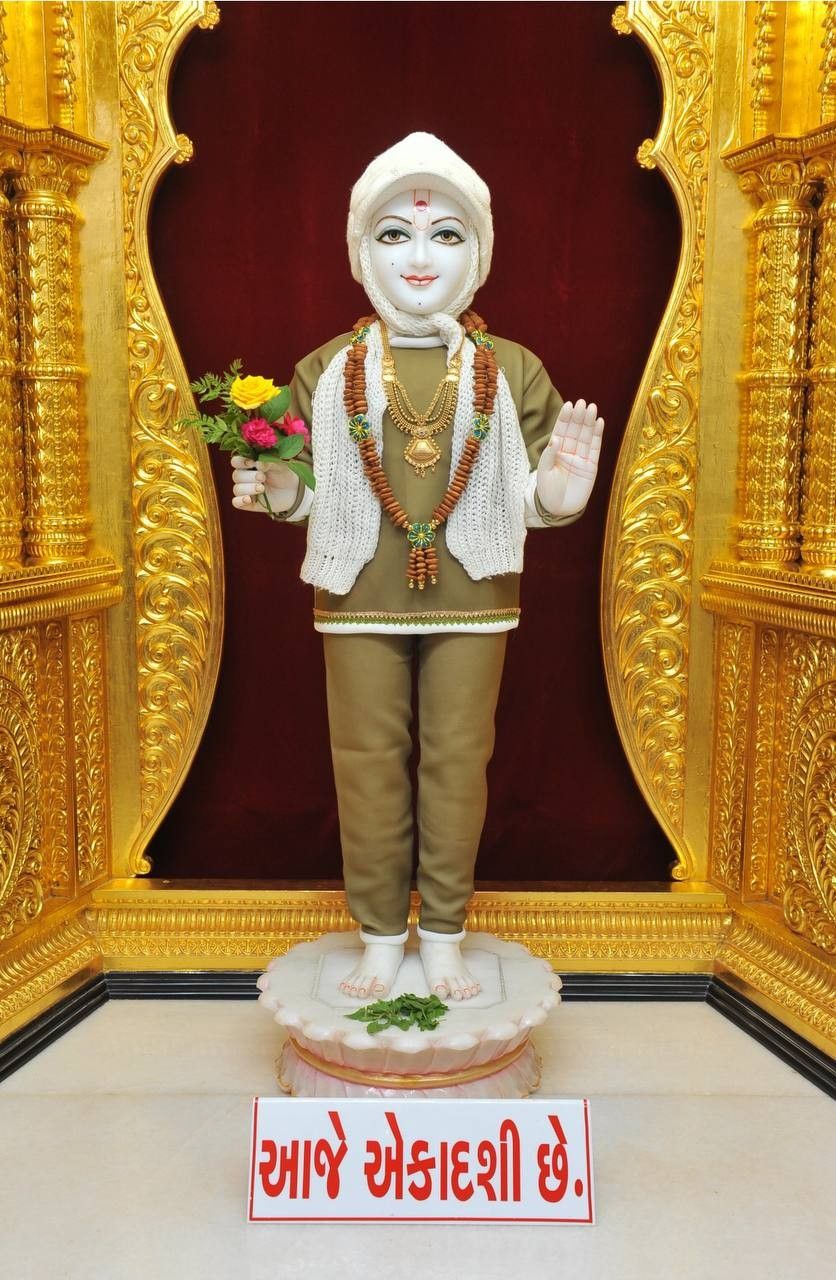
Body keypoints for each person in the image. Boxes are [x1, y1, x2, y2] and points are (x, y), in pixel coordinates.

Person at [230, 133, 603, 1003]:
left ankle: (442, 932)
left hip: (475, 597)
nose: (422, 256)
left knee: (458, 759)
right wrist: (280, 487)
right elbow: (304, 491)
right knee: (363, 758)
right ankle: (378, 934)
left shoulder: (511, 370)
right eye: (395, 234)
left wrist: (560, 490)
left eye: (446, 234)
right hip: (357, 595)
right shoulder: (328, 370)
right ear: (361, 256)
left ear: (480, 254)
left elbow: (536, 496)